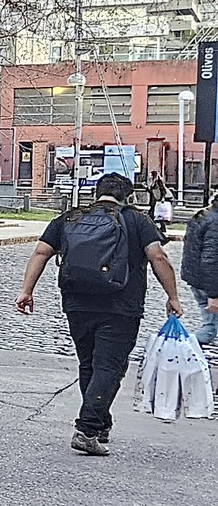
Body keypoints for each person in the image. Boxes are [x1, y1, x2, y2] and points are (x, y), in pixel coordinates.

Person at [16, 172, 184, 456]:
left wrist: (26, 291)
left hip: (77, 302)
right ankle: (88, 428)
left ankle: (100, 423)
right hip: (121, 305)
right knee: (109, 366)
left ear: (96, 193)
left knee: (89, 363)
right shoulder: (137, 219)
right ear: (128, 196)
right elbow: (158, 257)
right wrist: (173, 297)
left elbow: (40, 253)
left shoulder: (69, 218)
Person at [178, 203, 218, 345]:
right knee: (210, 328)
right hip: (209, 283)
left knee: (210, 324)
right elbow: (211, 259)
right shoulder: (214, 222)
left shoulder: (204, 216)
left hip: (197, 279)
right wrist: (214, 295)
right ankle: (183, 347)